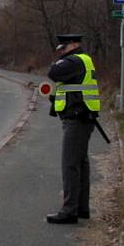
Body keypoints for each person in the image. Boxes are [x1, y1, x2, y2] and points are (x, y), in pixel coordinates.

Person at [45, 34, 100, 224]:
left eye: (65, 47)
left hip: (77, 118)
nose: (62, 50)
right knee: (80, 164)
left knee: (70, 165)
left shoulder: (75, 61)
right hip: (83, 117)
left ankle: (69, 211)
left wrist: (59, 60)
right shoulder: (82, 60)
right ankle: (81, 208)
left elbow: (52, 72)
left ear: (75, 45)